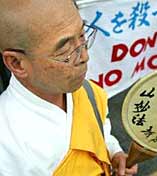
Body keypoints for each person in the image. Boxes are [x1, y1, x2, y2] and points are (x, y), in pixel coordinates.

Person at [0, 0, 138, 175]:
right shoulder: (8, 148)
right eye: (65, 51)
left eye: (82, 35)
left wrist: (113, 152)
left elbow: (100, 129)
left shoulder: (84, 90)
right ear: (17, 63)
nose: (85, 56)